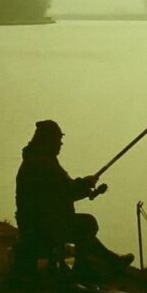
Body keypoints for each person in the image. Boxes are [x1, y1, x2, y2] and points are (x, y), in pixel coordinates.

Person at [13, 119, 133, 279]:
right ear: (48, 140)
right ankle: (82, 268)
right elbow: (66, 191)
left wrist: (85, 184)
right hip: (42, 224)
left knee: (82, 226)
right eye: (58, 140)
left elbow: (62, 190)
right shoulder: (42, 164)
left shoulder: (39, 160)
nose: (60, 143)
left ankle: (112, 261)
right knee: (88, 224)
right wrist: (85, 184)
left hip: (37, 221)